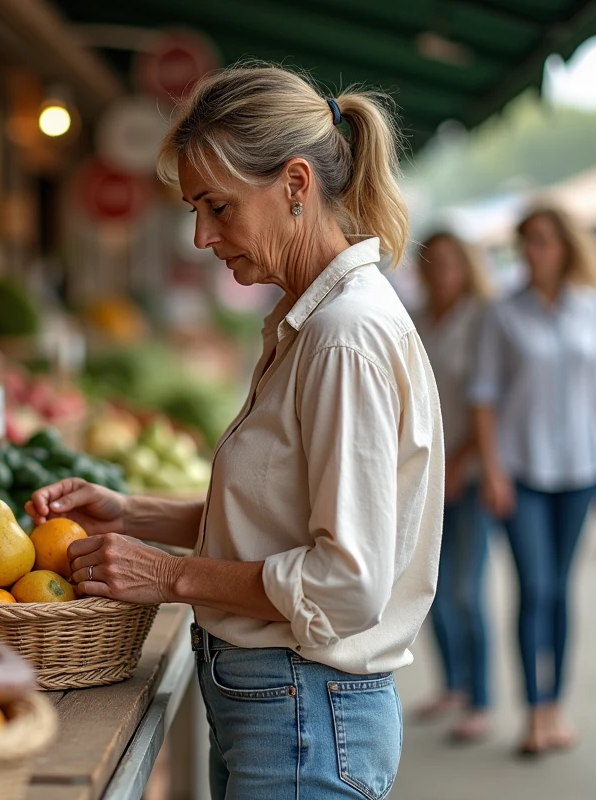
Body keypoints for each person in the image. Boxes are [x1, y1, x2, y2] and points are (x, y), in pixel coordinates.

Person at [28, 64, 444, 799]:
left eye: (218, 207)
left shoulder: (343, 337)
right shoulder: (312, 321)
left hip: (304, 713)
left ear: (294, 184)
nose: (201, 235)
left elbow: (347, 583)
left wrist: (169, 575)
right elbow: (285, 518)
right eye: (195, 209)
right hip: (286, 708)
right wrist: (136, 513)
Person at [470, 205, 596, 757]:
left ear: (565, 246)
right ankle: (534, 712)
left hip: (583, 469)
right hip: (522, 472)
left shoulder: (592, 308)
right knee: (534, 588)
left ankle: (557, 706)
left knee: (561, 591)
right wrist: (492, 471)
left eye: (541, 240)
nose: (531, 251)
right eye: (525, 241)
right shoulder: (502, 313)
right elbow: (484, 398)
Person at [411, 232, 495, 742]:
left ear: (466, 266)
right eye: (433, 263)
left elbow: (493, 403)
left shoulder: (483, 318)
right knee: (432, 590)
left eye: (450, 263)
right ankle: (453, 687)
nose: (441, 272)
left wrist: (461, 463)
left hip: (468, 473)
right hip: (425, 478)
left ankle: (481, 698)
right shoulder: (416, 319)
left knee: (467, 590)